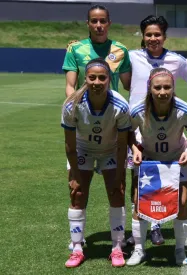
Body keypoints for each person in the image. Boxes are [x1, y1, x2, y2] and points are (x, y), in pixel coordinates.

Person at [62, 5, 131, 250]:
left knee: (116, 188)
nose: (99, 25)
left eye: (103, 21)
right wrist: (76, 109)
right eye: (94, 21)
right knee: (78, 188)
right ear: (88, 23)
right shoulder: (75, 48)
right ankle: (77, 241)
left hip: (111, 120)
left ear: (109, 23)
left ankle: (118, 242)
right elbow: (70, 85)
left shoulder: (121, 50)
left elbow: (129, 85)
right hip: (84, 119)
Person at [128, 15, 187, 246]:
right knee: (138, 180)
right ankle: (145, 226)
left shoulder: (177, 60)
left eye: (157, 34)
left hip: (168, 124)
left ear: (164, 36)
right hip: (138, 123)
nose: (153, 38)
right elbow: (125, 81)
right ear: (143, 36)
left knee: (170, 180)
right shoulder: (131, 57)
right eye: (148, 34)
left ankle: (162, 225)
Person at [127, 68, 187, 266]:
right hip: (149, 161)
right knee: (139, 204)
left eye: (167, 87)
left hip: (176, 160)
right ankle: (139, 250)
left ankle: (180, 250)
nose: (162, 92)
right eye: (157, 87)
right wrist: (135, 149)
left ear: (173, 88)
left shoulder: (184, 109)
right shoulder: (138, 110)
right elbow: (128, 134)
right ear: (150, 88)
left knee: (181, 203)